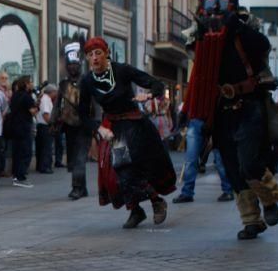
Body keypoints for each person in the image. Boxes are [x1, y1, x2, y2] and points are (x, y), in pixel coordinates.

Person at [185, 0, 278, 240]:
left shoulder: (244, 28)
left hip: (249, 105)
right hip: (220, 109)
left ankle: (270, 199)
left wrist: (234, 28)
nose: (216, 0)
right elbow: (198, 72)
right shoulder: (202, 33)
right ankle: (252, 220)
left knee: (248, 162)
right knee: (231, 166)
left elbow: (262, 45)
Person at [80, 37, 176, 229]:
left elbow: (156, 84)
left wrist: (147, 95)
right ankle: (137, 209)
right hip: (114, 130)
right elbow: (82, 113)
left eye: (98, 53)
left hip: (135, 125)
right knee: (121, 169)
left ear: (106, 53)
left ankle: (153, 202)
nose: (94, 58)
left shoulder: (122, 70)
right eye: (90, 55)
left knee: (132, 166)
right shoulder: (88, 81)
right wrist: (99, 129)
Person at [173, 108, 234, 203]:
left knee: (218, 158)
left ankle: (228, 190)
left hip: (214, 118)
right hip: (203, 118)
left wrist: (184, 112)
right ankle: (227, 190)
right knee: (193, 158)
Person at [54, 42, 90, 200]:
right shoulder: (63, 84)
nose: (72, 68)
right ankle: (82, 187)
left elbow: (95, 104)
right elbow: (57, 104)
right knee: (74, 157)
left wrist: (97, 123)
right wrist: (54, 121)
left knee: (80, 157)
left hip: (85, 124)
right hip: (69, 124)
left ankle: (77, 188)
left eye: (75, 64)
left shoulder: (88, 82)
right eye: (70, 65)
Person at [9, 76, 37, 187]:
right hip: (24, 127)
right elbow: (33, 112)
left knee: (17, 152)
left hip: (15, 127)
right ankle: (20, 177)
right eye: (30, 82)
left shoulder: (15, 95)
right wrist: (36, 105)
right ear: (26, 84)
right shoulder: (27, 97)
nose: (32, 84)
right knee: (26, 152)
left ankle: (16, 175)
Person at [35, 84, 58, 174]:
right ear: (51, 92)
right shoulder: (45, 99)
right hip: (45, 125)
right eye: (55, 92)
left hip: (42, 125)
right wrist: (51, 124)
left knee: (42, 147)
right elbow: (46, 114)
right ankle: (45, 166)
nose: (56, 94)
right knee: (46, 147)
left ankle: (41, 165)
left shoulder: (45, 98)